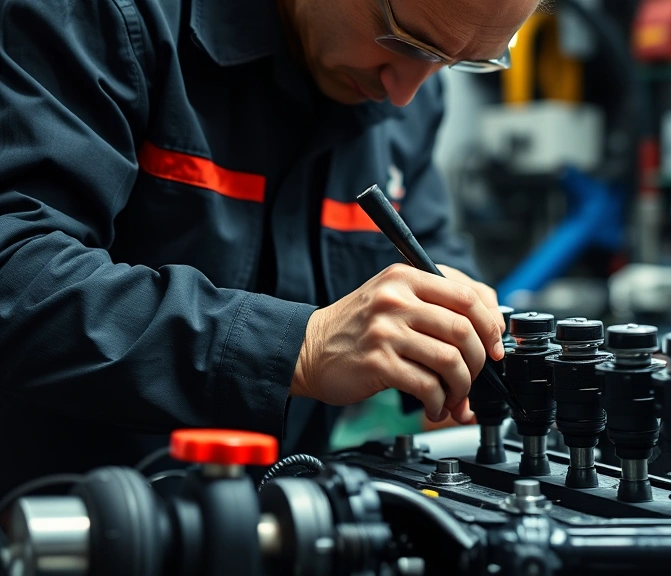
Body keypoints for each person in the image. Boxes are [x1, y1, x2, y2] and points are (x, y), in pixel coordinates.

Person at [0, 0, 543, 496]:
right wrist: (298, 348)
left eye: (457, 62)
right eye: (405, 42)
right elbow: (16, 271)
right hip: (74, 523)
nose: (405, 93)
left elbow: (431, 255)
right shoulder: (107, 17)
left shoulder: (408, 96)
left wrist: (455, 341)